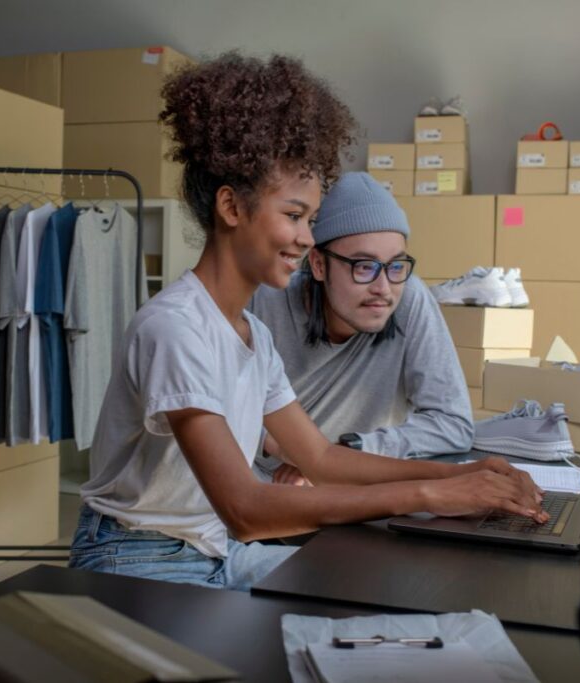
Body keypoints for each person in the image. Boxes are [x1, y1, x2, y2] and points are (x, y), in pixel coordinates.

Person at [69, 53, 546, 592]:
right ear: (231, 207)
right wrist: (428, 495)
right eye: (294, 216)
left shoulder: (252, 335)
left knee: (385, 591)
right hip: (136, 558)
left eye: (311, 221)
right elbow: (246, 509)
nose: (305, 238)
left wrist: (459, 474)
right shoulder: (176, 329)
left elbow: (318, 456)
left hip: (213, 552)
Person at [249, 172, 472, 486]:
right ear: (318, 265)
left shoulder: (408, 296)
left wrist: (350, 451)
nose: (383, 287)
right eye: (364, 266)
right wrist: (282, 449)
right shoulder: (264, 302)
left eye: (396, 265)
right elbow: (213, 413)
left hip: (354, 480)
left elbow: (453, 422)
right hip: (256, 487)